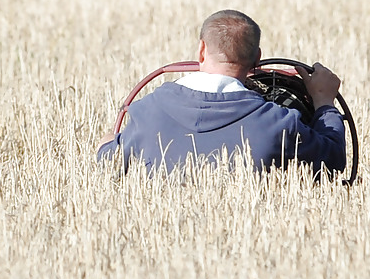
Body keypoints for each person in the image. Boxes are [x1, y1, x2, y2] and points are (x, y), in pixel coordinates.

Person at [97, 9, 346, 176]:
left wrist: (105, 145)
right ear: (257, 59)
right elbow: (334, 161)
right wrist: (324, 102)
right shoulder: (280, 124)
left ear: (201, 50)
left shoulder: (145, 111)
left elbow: (110, 163)